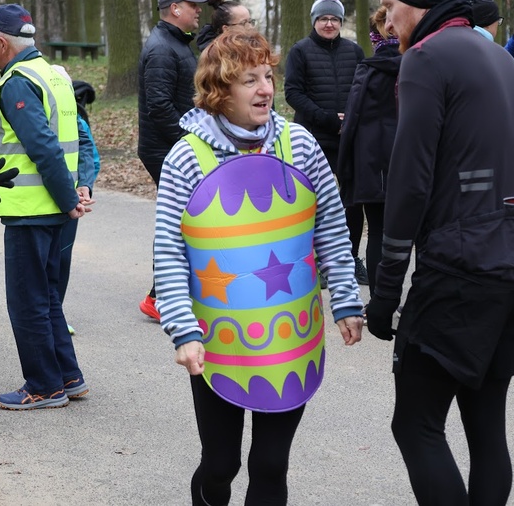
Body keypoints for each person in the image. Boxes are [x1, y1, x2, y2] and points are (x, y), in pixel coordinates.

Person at [367, 0, 514, 505]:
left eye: (390, 6)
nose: (387, 19)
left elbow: (410, 181)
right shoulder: (497, 57)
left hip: (460, 269)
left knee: (416, 425)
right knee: (486, 431)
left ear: (417, 4)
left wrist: (385, 287)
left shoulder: (427, 57)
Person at [154, 27, 363, 505]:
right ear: (219, 90)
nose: (266, 89)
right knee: (221, 463)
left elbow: (330, 224)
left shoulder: (300, 144)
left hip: (290, 340)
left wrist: (346, 299)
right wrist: (182, 330)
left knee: (271, 464)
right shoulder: (187, 157)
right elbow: (167, 248)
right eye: (249, 79)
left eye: (267, 76)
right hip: (217, 341)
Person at [0, 3, 90, 410]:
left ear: (3, 43)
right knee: (47, 296)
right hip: (56, 208)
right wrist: (75, 192)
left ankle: (44, 386)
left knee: (27, 300)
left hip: (33, 210)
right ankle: (68, 377)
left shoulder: (17, 82)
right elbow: (76, 140)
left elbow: (43, 148)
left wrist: (69, 198)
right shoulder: (56, 74)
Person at [284, 0, 367, 287]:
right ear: (314, 20)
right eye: (324, 18)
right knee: (310, 203)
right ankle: (311, 263)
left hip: (348, 139)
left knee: (351, 202)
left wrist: (351, 119)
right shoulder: (300, 51)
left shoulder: (355, 52)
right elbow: (294, 93)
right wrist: (329, 118)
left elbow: (362, 90)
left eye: (335, 18)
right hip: (312, 139)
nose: (329, 23)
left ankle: (351, 260)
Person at [137, 0, 209, 321]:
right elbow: (160, 107)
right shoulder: (162, 48)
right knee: (179, 219)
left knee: (185, 218)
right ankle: (159, 297)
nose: (198, 10)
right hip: (164, 148)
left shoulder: (177, 43)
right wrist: (193, 140)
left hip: (174, 145)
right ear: (175, 9)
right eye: (192, 5)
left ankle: (168, 292)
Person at [337, 6, 401, 296]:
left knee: (376, 231)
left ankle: (380, 298)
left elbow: (351, 121)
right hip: (406, 160)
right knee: (403, 234)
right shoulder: (416, 66)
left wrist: (345, 167)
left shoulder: (368, 70)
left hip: (371, 163)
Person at [51, 66, 100, 336]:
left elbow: (88, 153)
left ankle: (56, 311)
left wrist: (85, 185)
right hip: (40, 199)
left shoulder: (76, 120)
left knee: (62, 257)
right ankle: (45, 313)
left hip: (71, 199)